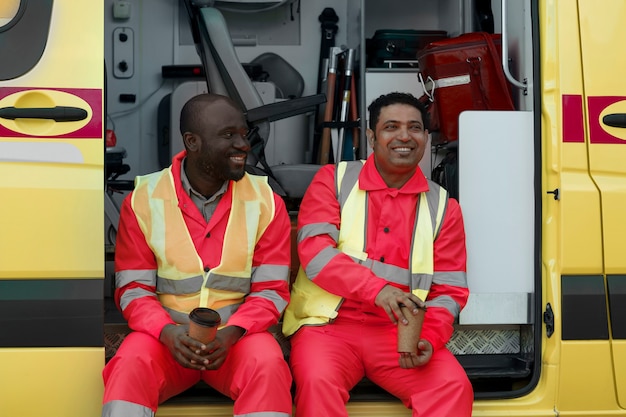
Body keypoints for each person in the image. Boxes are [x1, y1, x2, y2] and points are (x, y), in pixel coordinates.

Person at [282, 92, 474, 416]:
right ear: (371, 136)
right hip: (327, 328)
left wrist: (427, 338)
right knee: (317, 386)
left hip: (398, 335)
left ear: (426, 138)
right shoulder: (333, 180)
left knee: (452, 387)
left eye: (415, 128)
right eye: (391, 127)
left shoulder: (444, 208)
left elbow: (449, 291)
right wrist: (378, 291)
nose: (404, 136)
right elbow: (316, 255)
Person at [102, 94, 293, 417]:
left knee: (269, 363)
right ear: (192, 142)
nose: (243, 145)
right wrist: (167, 332)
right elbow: (133, 290)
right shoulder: (144, 199)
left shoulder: (267, 201)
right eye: (228, 135)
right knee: (130, 362)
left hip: (236, 341)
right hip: (166, 340)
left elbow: (272, 291)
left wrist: (232, 333)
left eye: (243, 134)